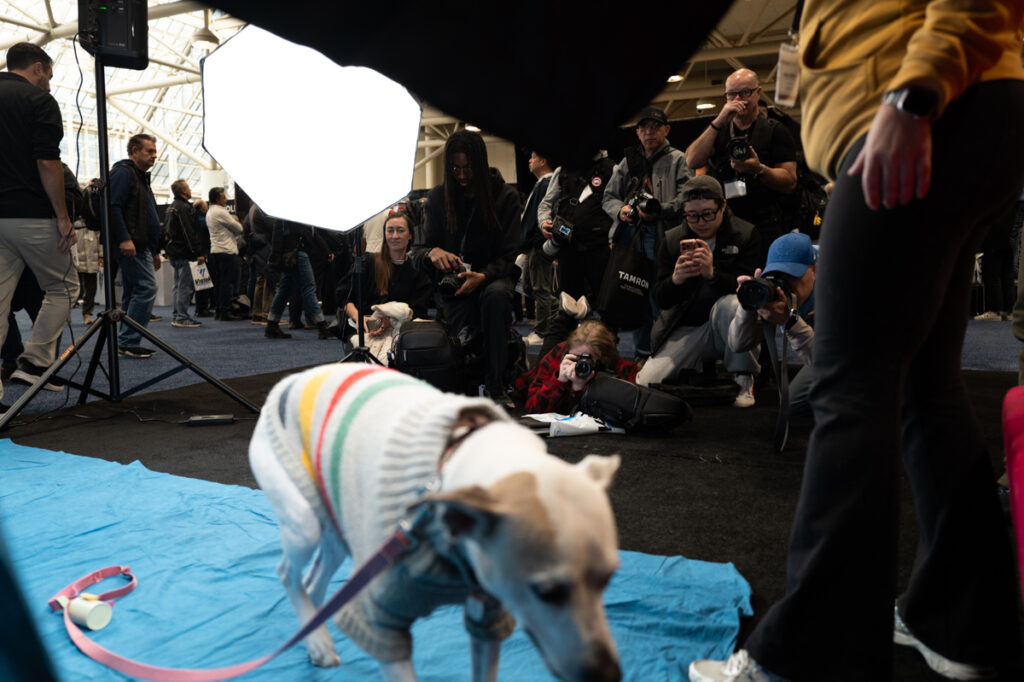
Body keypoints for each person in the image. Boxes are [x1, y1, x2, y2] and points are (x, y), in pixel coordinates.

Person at [689, 2, 1024, 681]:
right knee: (925, 384)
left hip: (924, 110)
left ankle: (815, 649)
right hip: (955, 114)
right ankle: (964, 621)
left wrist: (915, 93)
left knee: (849, 381)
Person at [635, 175, 760, 408]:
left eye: (707, 213)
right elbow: (660, 298)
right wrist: (675, 280)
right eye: (692, 215)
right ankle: (698, 366)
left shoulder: (744, 234)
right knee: (647, 383)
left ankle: (743, 375)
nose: (700, 221)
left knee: (734, 305)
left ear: (723, 205)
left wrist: (713, 274)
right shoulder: (672, 240)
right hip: (687, 326)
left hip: (727, 324)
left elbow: (752, 292)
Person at [0, 42, 80, 400]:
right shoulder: (38, 101)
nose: (48, 83)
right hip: (30, 214)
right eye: (48, 74)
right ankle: (35, 362)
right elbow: (48, 162)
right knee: (64, 286)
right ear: (37, 67)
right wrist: (63, 216)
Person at [418, 130, 521, 407]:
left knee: (496, 296)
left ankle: (497, 386)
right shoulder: (440, 198)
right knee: (463, 347)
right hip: (456, 284)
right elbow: (420, 250)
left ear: (480, 163)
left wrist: (484, 276)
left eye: (468, 167)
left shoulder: (506, 198)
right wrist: (433, 252)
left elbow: (511, 253)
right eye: (456, 168)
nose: (462, 175)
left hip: (492, 278)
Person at [602, 105, 691, 358]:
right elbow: (608, 197)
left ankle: (665, 355)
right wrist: (620, 211)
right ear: (637, 133)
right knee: (635, 298)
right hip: (631, 239)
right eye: (643, 127)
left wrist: (660, 210)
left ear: (666, 129)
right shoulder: (628, 161)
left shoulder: (678, 159)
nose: (649, 132)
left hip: (664, 238)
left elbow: (686, 198)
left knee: (661, 299)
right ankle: (642, 355)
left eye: (655, 126)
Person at [684, 68, 798, 260]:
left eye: (745, 92)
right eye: (732, 94)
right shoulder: (718, 130)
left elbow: (790, 182)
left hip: (766, 221)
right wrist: (719, 120)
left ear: (758, 92)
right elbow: (692, 160)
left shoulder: (776, 131)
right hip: (727, 223)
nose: (738, 99)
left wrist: (759, 169)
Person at [727, 232, 816, 415]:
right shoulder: (776, 293)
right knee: (792, 404)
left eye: (793, 275)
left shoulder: (839, 289)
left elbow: (831, 362)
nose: (785, 285)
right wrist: (748, 306)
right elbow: (738, 345)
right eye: (778, 276)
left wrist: (790, 323)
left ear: (814, 269)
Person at [538, 150, 617, 339]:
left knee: (607, 310)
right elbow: (545, 204)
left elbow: (620, 203)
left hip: (600, 248)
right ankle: (563, 360)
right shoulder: (563, 170)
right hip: (569, 247)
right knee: (567, 309)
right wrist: (544, 222)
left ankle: (608, 357)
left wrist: (616, 237)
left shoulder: (611, 168)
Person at [108, 133, 161, 359]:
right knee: (147, 288)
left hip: (141, 245)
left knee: (132, 291)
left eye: (154, 152)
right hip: (131, 244)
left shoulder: (140, 176)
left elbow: (147, 216)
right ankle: (128, 340)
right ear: (134, 151)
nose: (154, 156)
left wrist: (155, 250)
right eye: (149, 151)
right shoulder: (124, 172)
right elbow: (113, 206)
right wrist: (123, 238)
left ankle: (125, 341)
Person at [514, 319, 638, 414]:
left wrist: (579, 389)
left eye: (587, 358)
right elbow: (533, 409)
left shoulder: (616, 367)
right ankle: (563, 316)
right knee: (550, 341)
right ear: (569, 350)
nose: (580, 363)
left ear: (601, 358)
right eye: (575, 357)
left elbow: (618, 413)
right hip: (549, 365)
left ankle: (567, 315)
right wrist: (558, 381)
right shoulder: (559, 355)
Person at [339, 210, 432, 337]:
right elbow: (344, 296)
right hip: (364, 327)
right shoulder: (368, 263)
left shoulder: (416, 272)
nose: (394, 236)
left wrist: (391, 323)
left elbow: (418, 311)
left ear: (410, 235)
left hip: (401, 330)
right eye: (390, 230)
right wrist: (358, 318)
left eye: (400, 230)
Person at [264, 219, 332, 340]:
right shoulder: (293, 212)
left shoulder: (286, 212)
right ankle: (322, 325)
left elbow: (279, 234)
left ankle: (272, 324)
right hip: (297, 253)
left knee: (285, 290)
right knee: (308, 288)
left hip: (291, 255)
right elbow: (307, 233)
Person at [518, 151, 556, 347]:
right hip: (533, 243)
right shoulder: (542, 183)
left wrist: (534, 241)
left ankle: (542, 332)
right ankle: (562, 316)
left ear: (543, 161)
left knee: (540, 289)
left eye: (533, 157)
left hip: (539, 243)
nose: (529, 161)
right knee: (529, 287)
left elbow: (539, 216)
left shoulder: (547, 183)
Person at [163, 179, 205, 328]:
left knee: (178, 285)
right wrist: (197, 252)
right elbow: (188, 232)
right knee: (185, 286)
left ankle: (178, 315)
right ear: (183, 191)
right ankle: (181, 317)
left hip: (175, 251)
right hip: (184, 252)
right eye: (188, 187)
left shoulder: (172, 207)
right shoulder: (183, 208)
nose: (190, 188)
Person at [206, 187, 244, 321]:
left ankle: (219, 310)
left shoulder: (210, 211)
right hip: (226, 251)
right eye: (223, 197)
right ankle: (225, 312)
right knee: (227, 283)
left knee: (220, 282)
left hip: (216, 250)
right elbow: (239, 228)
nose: (226, 199)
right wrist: (237, 221)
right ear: (217, 199)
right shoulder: (221, 212)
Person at [192, 199, 213, 317]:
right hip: (202, 253)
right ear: (204, 209)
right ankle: (201, 309)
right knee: (202, 283)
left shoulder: (193, 218)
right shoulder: (203, 220)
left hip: (199, 253)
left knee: (201, 282)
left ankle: (200, 308)